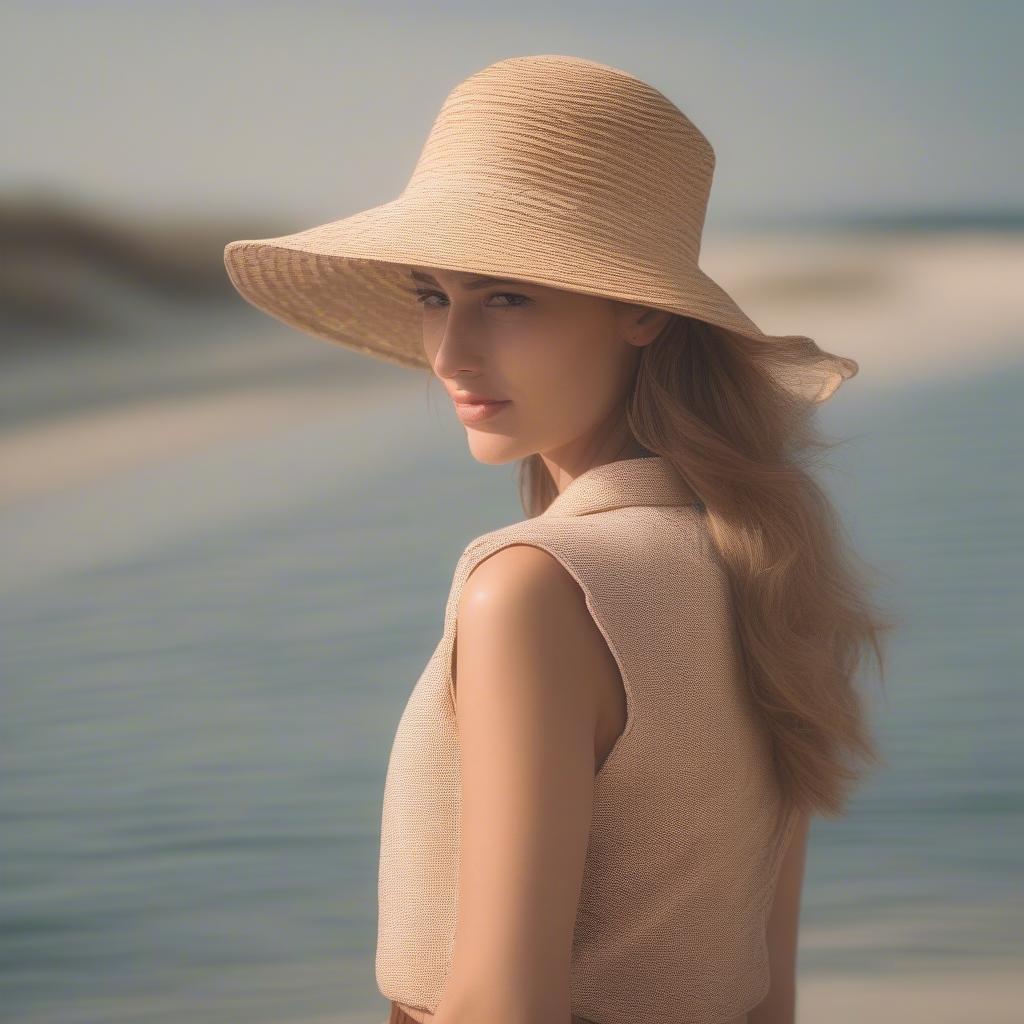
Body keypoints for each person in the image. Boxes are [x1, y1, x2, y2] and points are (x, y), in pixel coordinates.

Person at [224, 54, 893, 1024]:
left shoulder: (534, 589)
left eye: (505, 297)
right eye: (432, 296)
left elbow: (505, 1007)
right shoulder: (770, 570)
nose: (451, 352)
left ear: (641, 311)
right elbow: (765, 999)